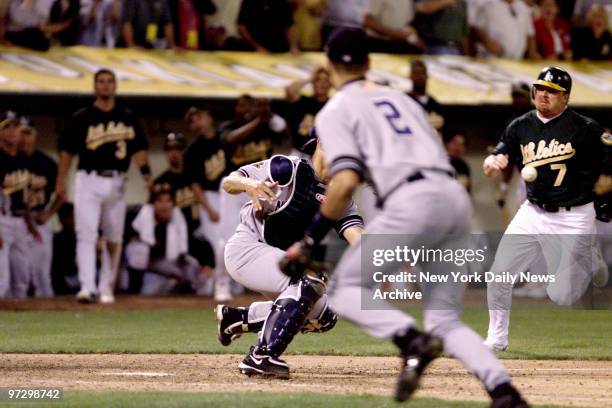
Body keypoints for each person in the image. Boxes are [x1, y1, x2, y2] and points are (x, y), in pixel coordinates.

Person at [282, 28, 529, 407]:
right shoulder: (403, 100)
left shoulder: (335, 110)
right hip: (452, 196)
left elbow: (344, 179)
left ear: (329, 64)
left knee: (346, 290)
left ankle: (413, 342)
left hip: (412, 200)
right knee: (444, 319)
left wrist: (310, 242)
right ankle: (504, 392)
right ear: (369, 61)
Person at [483, 66, 611, 352]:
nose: (543, 94)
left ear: (565, 97)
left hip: (574, 216)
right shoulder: (520, 125)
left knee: (562, 296)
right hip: (533, 211)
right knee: (499, 275)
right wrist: (493, 162)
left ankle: (589, 258)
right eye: (540, 88)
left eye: (552, 91)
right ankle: (496, 338)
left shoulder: (585, 127)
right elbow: (498, 155)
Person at [217, 142, 364, 378]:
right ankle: (260, 357)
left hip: (281, 260)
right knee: (308, 284)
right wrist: (249, 184)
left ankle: (235, 318)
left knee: (324, 316)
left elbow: (358, 237)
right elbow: (228, 182)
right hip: (247, 248)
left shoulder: (341, 198)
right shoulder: (287, 168)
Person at [56, 68, 151, 304]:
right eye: (101, 82)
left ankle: (105, 286)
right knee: (86, 234)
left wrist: (147, 175)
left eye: (110, 81)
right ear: (95, 86)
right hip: (87, 179)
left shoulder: (127, 117)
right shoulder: (82, 117)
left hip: (117, 180)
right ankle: (87, 287)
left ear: (115, 86)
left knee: (113, 236)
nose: (106, 85)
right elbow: (67, 151)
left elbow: (139, 149)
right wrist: (60, 180)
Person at [214, 95, 288, 301]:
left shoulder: (266, 125)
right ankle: (221, 283)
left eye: (252, 105)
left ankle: (269, 283)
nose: (247, 109)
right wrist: (257, 120)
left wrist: (268, 114)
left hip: (265, 186)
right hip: (237, 187)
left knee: (270, 236)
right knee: (226, 237)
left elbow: (284, 131)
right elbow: (230, 139)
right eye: (243, 105)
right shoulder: (230, 126)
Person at [154, 132, 215, 283]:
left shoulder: (195, 177)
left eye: (178, 149)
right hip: (170, 238)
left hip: (197, 233)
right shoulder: (162, 182)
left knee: (205, 281)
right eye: (170, 149)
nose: (174, 153)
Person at [125, 184, 206, 295]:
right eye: (159, 201)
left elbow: (191, 245)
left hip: (160, 263)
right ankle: (133, 292)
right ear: (152, 203)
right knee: (141, 249)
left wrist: (206, 264)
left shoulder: (177, 217)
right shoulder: (140, 215)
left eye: (168, 201)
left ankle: (183, 294)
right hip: (134, 265)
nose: (164, 205)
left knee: (192, 269)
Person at [183, 108, 228, 300]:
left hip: (231, 193)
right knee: (217, 243)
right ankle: (219, 284)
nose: (198, 123)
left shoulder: (226, 139)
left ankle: (228, 283)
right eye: (193, 121)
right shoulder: (192, 150)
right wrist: (208, 208)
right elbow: (194, 185)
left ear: (210, 117)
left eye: (200, 117)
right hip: (209, 196)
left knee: (232, 241)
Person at [18, 116, 63, 298]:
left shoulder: (46, 163)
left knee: (42, 276)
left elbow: (62, 194)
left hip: (39, 221)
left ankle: (47, 317)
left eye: (27, 133)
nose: (23, 138)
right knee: (18, 275)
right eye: (20, 133)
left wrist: (49, 213)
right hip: (14, 219)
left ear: (35, 135)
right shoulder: (8, 160)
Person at [0, 110, 39, 299]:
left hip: (20, 221)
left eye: (15, 127)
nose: (12, 132)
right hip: (2, 218)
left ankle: (22, 324)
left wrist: (31, 225)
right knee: (2, 278)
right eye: (6, 127)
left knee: (23, 274)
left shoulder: (23, 159)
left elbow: (25, 195)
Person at [284, 66, 331, 156]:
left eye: (326, 80)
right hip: (298, 153)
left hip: (322, 154)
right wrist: (310, 78)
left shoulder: (333, 104)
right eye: (318, 80)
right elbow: (289, 89)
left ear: (331, 83)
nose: (322, 84)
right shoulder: (303, 101)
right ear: (313, 83)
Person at [472, 0, 541, 59]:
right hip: (492, 60)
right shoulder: (489, 5)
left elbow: (530, 34)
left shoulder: (523, 8)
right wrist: (487, 42)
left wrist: (532, 52)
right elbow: (476, 29)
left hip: (517, 61)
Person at [407, 60, 445, 133]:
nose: (419, 77)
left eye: (422, 73)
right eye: (416, 73)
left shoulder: (435, 105)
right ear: (410, 76)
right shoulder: (404, 101)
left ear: (427, 76)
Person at [51, 202, 79, 295]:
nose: (73, 220)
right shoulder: (58, 239)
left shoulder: (82, 238)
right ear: (61, 220)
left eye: (75, 216)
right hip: (65, 280)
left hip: (81, 277)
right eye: (70, 217)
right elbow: (57, 269)